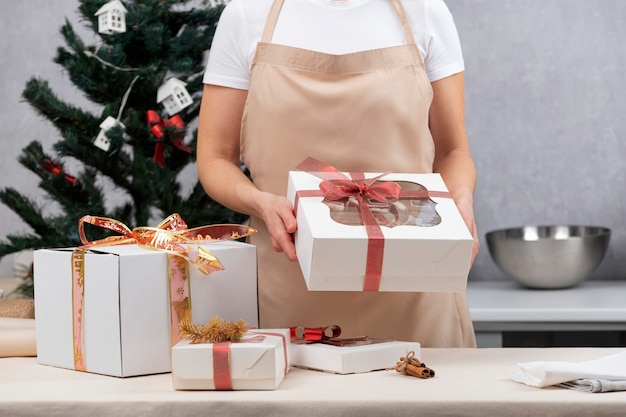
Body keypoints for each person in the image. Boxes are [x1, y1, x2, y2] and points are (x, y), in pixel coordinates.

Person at [197, 0, 479, 347]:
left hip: (416, 292)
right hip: (289, 292)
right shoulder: (246, 15)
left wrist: (460, 201)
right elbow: (215, 158)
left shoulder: (425, 11)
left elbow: (453, 152)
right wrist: (260, 203)